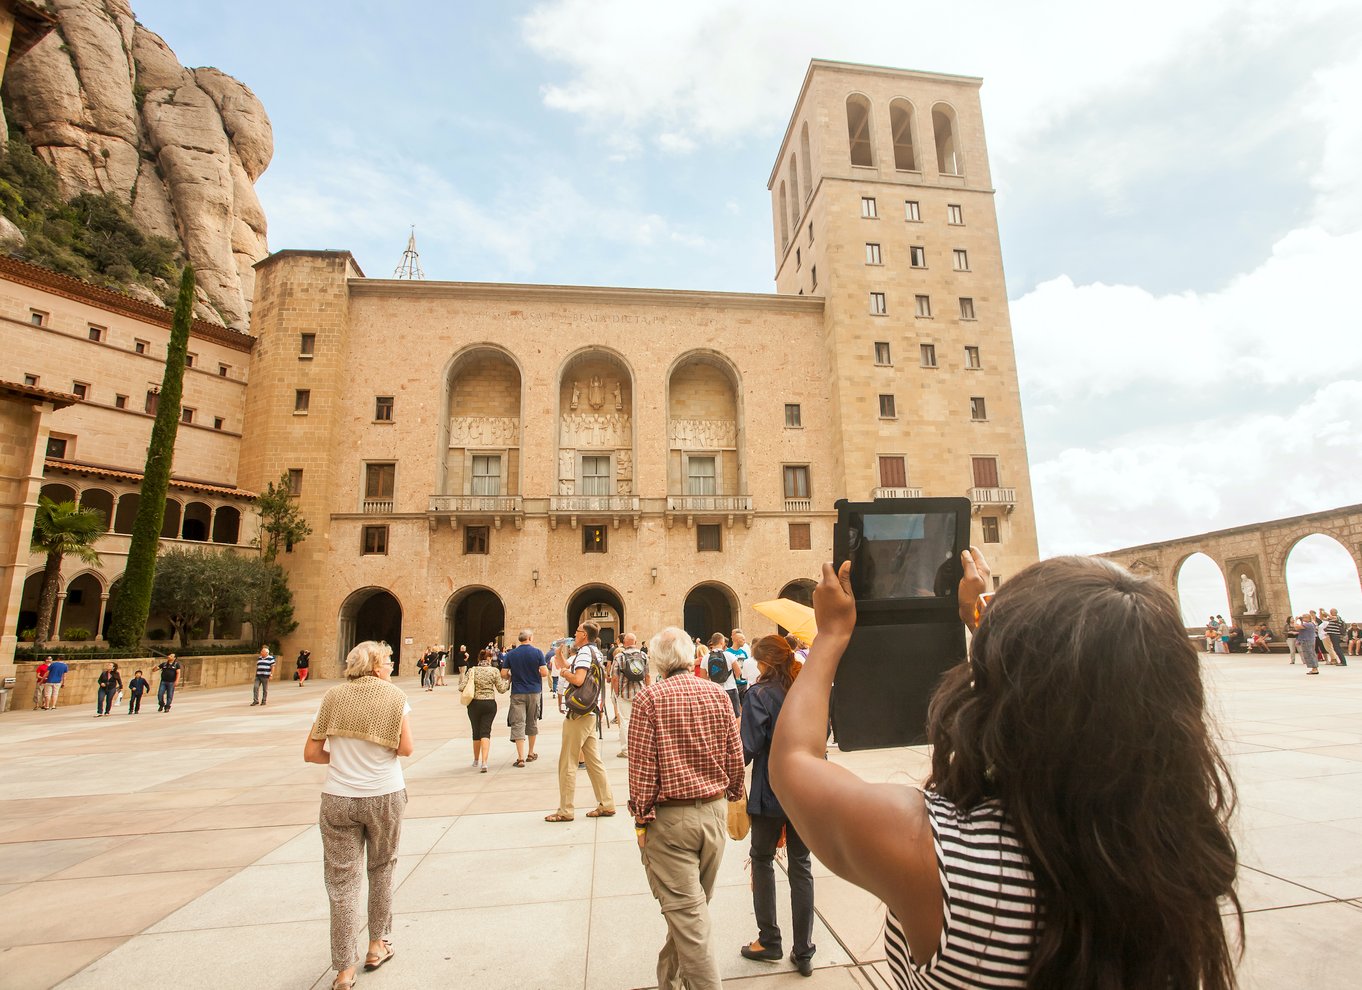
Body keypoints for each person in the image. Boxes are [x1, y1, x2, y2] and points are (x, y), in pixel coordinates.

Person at [771, 553, 1242, 989]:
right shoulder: (1182, 854)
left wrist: (830, 635)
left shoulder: (933, 853)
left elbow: (795, 760)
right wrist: (987, 624)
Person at [627, 626, 745, 989]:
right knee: (690, 914)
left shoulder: (648, 700)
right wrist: (734, 794)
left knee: (690, 922)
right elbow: (735, 756)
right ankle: (670, 981)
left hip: (670, 821)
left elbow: (642, 769)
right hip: (713, 815)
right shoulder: (717, 696)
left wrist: (641, 821)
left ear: (657, 662)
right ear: (691, 656)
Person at [304, 640, 413, 990]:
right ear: (376, 666)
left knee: (341, 885)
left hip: (338, 798)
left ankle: (343, 971)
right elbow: (406, 749)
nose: (392, 666)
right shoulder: (395, 698)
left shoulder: (333, 697)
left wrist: (343, 761)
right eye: (389, 661)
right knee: (381, 870)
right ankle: (377, 945)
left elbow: (311, 752)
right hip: (384, 796)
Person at [739, 634, 815, 976]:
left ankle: (769, 939)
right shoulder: (806, 688)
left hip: (771, 789)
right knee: (801, 866)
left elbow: (750, 745)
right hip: (806, 789)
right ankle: (804, 951)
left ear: (766, 662)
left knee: (762, 860)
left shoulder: (759, 694)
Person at [545, 621, 616, 822]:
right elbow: (568, 666)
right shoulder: (594, 651)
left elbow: (577, 679)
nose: (574, 635)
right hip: (590, 712)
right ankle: (607, 803)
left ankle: (565, 810)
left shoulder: (584, 652)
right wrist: (559, 654)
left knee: (567, 762)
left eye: (577, 632)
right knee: (594, 762)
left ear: (584, 634)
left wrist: (566, 674)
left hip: (578, 714)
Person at [500, 630, 548, 767]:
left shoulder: (511, 654)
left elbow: (503, 673)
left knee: (518, 723)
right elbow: (544, 672)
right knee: (532, 721)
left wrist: (512, 676)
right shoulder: (537, 652)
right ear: (530, 638)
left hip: (517, 692)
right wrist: (535, 673)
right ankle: (531, 753)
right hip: (534, 691)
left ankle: (520, 757)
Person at [459, 648, 508, 772]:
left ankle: (475, 760)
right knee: (485, 732)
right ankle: (484, 762)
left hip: (474, 703)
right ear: (490, 658)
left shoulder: (472, 671)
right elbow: (501, 689)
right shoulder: (494, 671)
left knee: (476, 731)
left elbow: (461, 687)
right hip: (489, 704)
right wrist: (508, 682)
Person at [613, 632, 649, 758]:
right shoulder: (643, 655)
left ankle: (626, 750)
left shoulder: (619, 657)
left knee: (625, 721)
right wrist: (648, 690)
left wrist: (616, 693)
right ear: (635, 642)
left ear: (624, 643)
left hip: (624, 694)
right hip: (641, 693)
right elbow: (647, 675)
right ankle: (641, 748)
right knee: (641, 721)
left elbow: (615, 677)